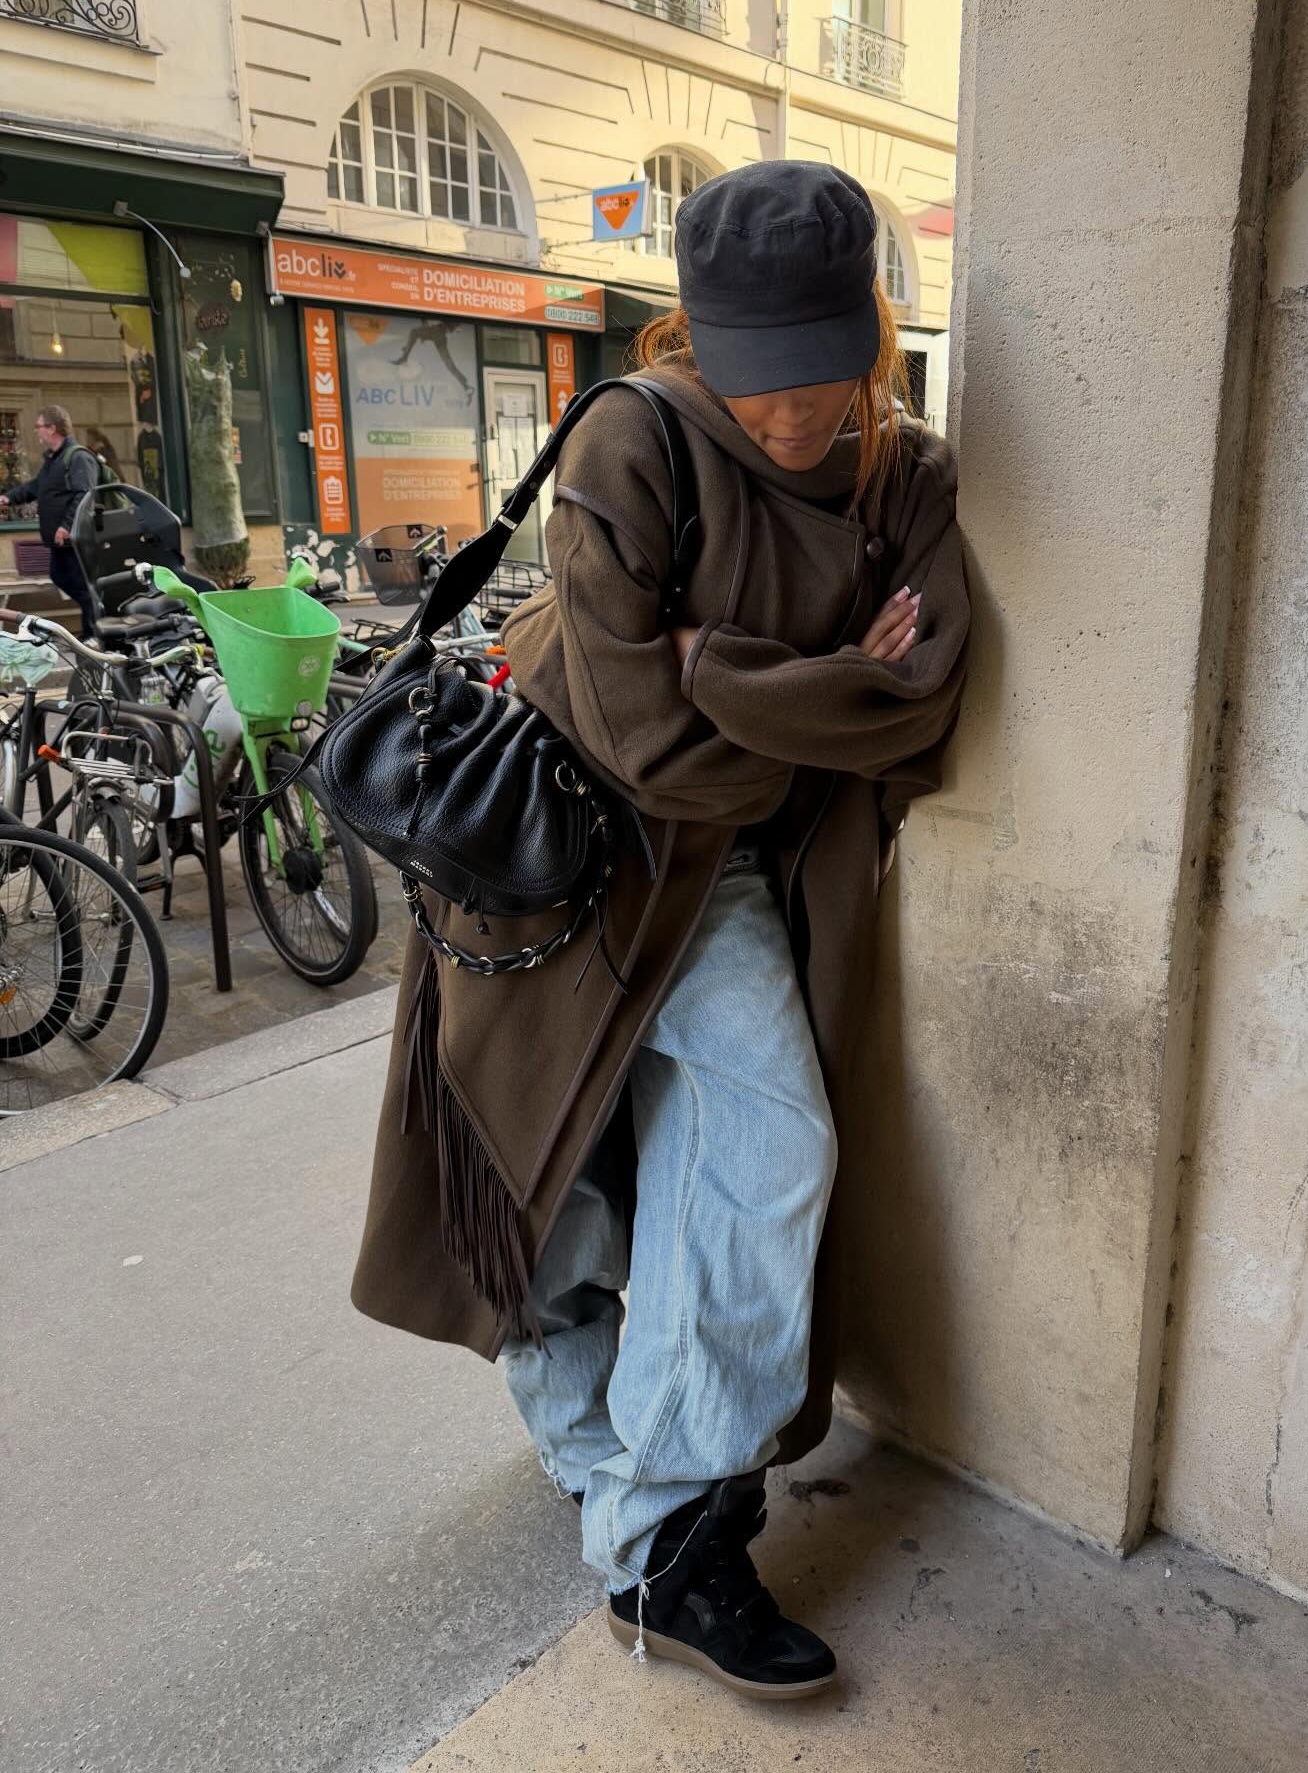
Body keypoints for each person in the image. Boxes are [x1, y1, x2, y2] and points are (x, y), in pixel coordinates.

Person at [350, 162, 971, 1700]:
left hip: (728, 880)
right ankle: (593, 1458)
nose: (791, 409)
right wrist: (812, 690)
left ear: (870, 330)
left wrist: (718, 667)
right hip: (554, 853)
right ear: (696, 334)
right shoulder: (633, 436)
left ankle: (660, 1533)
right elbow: (640, 739)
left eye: (819, 364)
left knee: (769, 1149)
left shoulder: (906, 476)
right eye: (758, 370)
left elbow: (919, 706)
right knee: (542, 1185)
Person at [1, 406, 98, 638]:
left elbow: (85, 494)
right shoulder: (54, 460)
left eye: (39, 426)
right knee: (61, 577)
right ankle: (94, 627)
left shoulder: (78, 457)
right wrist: (8, 498)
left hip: (75, 540)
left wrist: (67, 526)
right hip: (60, 542)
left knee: (84, 587)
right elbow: (36, 487)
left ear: (52, 428)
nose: (36, 431)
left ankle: (93, 634)